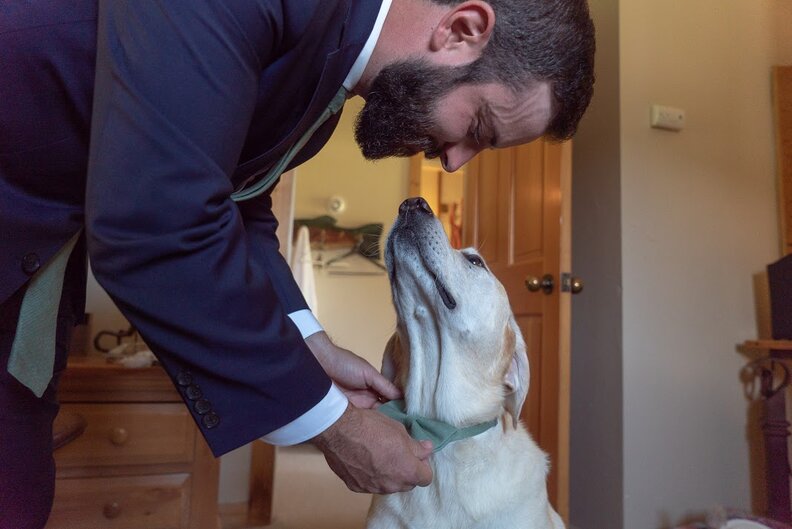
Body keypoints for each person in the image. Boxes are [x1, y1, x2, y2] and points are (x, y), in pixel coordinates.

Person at [0, 0, 595, 527]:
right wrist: (332, 424)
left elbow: (237, 201)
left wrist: (304, 338)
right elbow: (160, 222)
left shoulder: (330, 80)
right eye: (479, 128)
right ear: (462, 29)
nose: (455, 163)